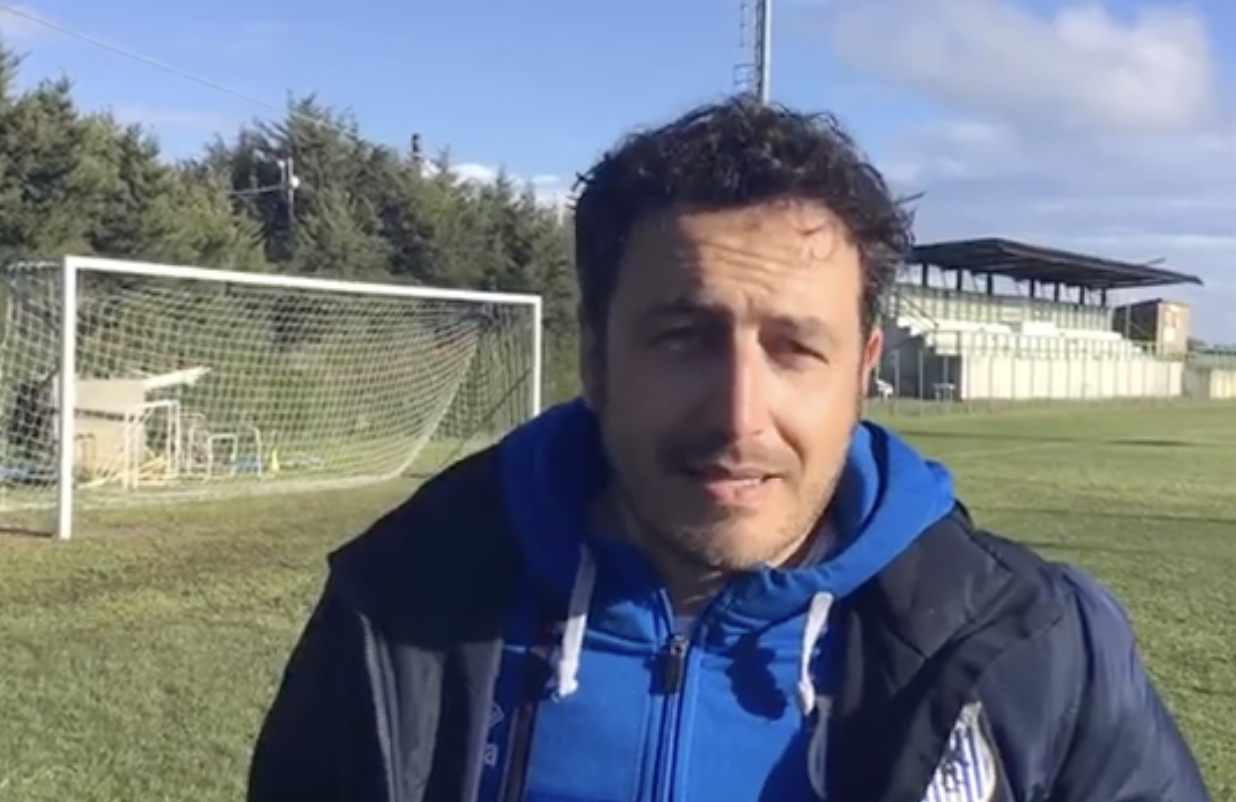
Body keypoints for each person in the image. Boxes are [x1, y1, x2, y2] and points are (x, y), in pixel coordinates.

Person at [247, 97, 1209, 802]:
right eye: (683, 337)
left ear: (863, 370)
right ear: (596, 356)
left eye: (795, 349)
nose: (740, 416)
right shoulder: (395, 605)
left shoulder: (1040, 647)